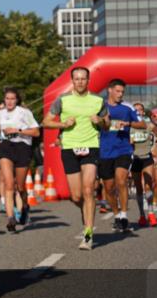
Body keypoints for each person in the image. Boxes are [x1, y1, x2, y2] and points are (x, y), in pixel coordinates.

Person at [42, 67, 109, 250]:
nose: (80, 82)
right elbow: (46, 122)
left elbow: (107, 124)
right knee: (76, 196)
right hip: (70, 148)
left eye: (83, 79)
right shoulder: (62, 100)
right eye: (77, 79)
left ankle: (88, 234)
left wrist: (100, 121)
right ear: (72, 81)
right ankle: (85, 210)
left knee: (89, 190)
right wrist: (63, 124)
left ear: (88, 80)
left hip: (91, 146)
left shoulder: (98, 100)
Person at [98, 79, 144, 233]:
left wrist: (128, 123)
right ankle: (117, 215)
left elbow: (142, 124)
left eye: (122, 92)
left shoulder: (127, 107)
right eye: (117, 91)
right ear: (109, 90)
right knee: (109, 188)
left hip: (123, 150)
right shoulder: (100, 107)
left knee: (121, 180)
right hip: (104, 151)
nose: (120, 94)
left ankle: (124, 215)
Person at [0, 88, 40, 233]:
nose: (9, 101)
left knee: (20, 187)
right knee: (9, 184)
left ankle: (25, 206)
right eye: (7, 98)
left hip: (22, 147)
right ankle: (11, 219)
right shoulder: (0, 114)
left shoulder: (24, 113)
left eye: (12, 99)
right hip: (6, 147)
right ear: (4, 100)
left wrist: (18, 131)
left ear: (17, 100)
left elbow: (36, 132)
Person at [129, 102, 156, 226]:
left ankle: (151, 212)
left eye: (140, 110)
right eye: (135, 110)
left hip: (147, 157)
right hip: (135, 158)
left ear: (143, 112)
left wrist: (156, 146)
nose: (138, 112)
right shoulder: (129, 126)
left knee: (148, 185)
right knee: (139, 187)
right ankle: (141, 215)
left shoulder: (149, 125)